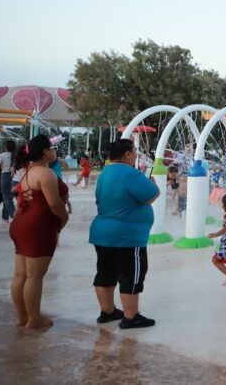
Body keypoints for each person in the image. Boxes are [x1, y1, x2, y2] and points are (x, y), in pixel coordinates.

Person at [89, 139, 160, 329]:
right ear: (127, 154)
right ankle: (130, 317)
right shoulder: (130, 173)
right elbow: (150, 196)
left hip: (103, 233)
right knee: (131, 274)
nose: (136, 154)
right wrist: (151, 183)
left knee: (106, 271)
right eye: (135, 151)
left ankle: (108, 312)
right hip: (127, 236)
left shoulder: (105, 173)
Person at [9, 134, 70, 330]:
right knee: (35, 276)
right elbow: (53, 203)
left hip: (20, 223)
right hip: (37, 226)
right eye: (52, 149)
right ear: (45, 152)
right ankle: (34, 318)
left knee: (20, 275)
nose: (54, 152)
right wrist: (64, 218)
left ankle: (22, 316)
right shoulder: (45, 174)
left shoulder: (27, 171)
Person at [0, 140, 17, 222]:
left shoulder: (2, 155)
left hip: (5, 175)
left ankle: (14, 215)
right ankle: (5, 216)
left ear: (5, 147)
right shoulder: (15, 155)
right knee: (9, 196)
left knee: (6, 196)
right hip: (15, 176)